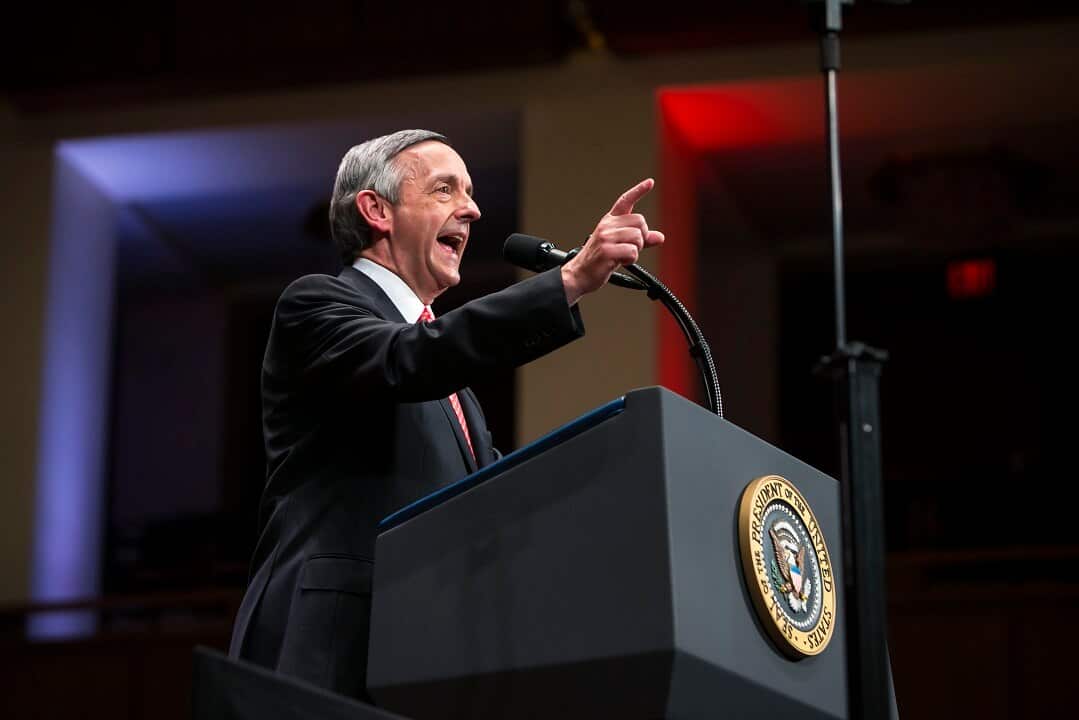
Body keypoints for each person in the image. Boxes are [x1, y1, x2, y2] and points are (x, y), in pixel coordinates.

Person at [228, 129, 664, 700]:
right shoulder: (316, 305)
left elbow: (502, 493)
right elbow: (409, 360)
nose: (473, 209)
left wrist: (631, 498)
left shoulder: (454, 391)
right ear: (376, 210)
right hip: (334, 647)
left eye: (471, 192)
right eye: (444, 190)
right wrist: (570, 280)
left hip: (429, 654)